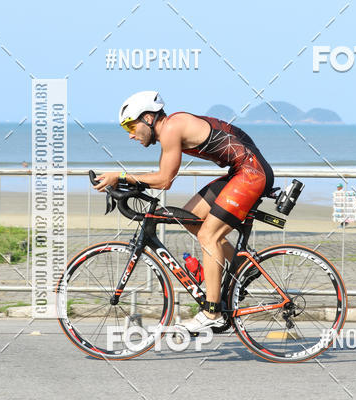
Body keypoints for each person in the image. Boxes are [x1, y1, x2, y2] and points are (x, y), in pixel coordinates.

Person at [93, 91, 274, 332]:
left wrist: (121, 176)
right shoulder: (172, 128)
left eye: (131, 126)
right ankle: (241, 266)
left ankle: (212, 312)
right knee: (188, 217)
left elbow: (164, 180)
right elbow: (160, 177)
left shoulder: (171, 128)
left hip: (251, 174)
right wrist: (127, 182)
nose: (130, 134)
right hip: (242, 171)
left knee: (208, 236)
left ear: (148, 118)